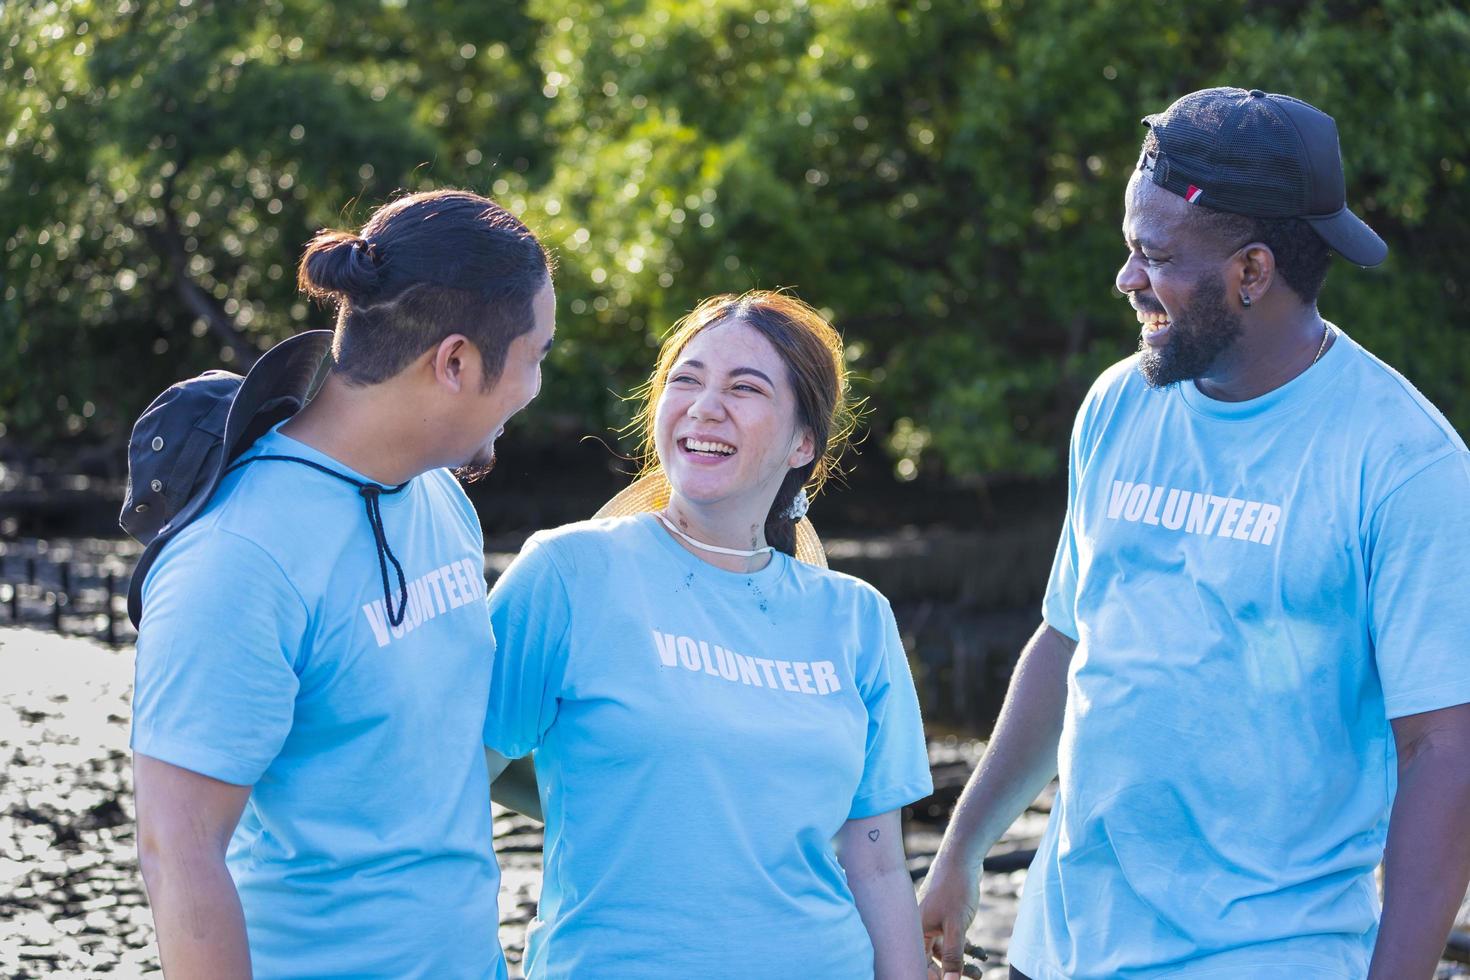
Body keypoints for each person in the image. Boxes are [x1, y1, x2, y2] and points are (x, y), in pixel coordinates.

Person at [919, 88, 1470, 980]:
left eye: (1154, 255)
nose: (1126, 280)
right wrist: (963, 846)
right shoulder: (1119, 401)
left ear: (1252, 272)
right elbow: (1066, 641)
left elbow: (1445, 754)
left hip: (1268, 958)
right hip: (1059, 949)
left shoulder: (1405, 463)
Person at [128, 190, 555, 979]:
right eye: (536, 356)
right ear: (455, 361)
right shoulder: (237, 558)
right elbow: (175, 850)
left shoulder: (439, 496)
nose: (536, 385)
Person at [483, 291, 933, 978]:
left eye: (744, 388)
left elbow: (875, 865)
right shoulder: (570, 573)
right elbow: (444, 789)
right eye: (685, 381)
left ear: (803, 442)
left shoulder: (857, 619)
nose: (704, 406)